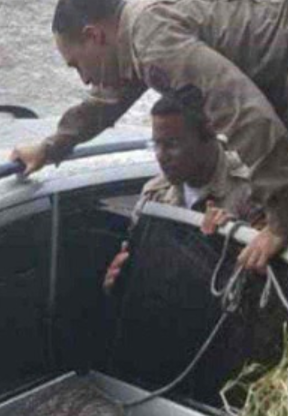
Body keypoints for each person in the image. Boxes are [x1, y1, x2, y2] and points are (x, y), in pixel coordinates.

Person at [13, 0, 288, 273]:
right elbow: (106, 102)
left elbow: (250, 120)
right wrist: (49, 149)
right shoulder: (140, 36)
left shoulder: (153, 42)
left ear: (94, 35)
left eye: (76, 64)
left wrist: (278, 225)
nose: (82, 78)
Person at [103, 91, 263, 293]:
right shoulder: (154, 196)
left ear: (207, 135)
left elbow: (266, 290)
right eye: (156, 144)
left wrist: (227, 242)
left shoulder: (253, 190)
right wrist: (118, 283)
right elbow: (141, 278)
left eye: (171, 144)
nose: (161, 156)